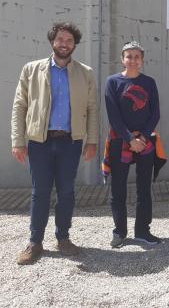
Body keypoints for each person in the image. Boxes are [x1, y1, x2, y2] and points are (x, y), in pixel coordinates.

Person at [11, 22, 98, 265]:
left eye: (69, 40)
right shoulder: (32, 69)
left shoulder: (85, 73)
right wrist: (18, 141)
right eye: (60, 39)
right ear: (52, 41)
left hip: (70, 142)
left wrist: (92, 141)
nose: (64, 44)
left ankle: (63, 238)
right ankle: (34, 242)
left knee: (67, 191)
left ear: (74, 44)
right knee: (40, 192)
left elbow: (92, 109)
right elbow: (20, 106)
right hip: (40, 141)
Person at [104, 41, 161, 247]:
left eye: (137, 56)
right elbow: (113, 115)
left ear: (142, 60)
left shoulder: (149, 82)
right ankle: (119, 232)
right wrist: (129, 139)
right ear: (122, 59)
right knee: (118, 188)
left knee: (144, 188)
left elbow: (155, 113)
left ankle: (142, 230)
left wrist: (143, 138)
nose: (133, 60)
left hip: (145, 141)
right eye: (129, 56)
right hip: (121, 141)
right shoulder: (112, 82)